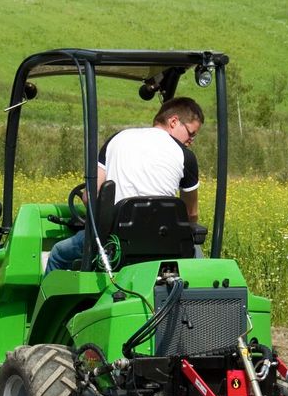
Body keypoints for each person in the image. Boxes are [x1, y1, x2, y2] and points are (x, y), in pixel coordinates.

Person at [44, 96, 204, 273]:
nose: (191, 141)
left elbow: (89, 196)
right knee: (196, 255)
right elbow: (191, 214)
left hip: (114, 243)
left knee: (58, 254)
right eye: (191, 134)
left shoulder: (117, 139)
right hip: (164, 242)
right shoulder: (185, 157)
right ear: (174, 121)